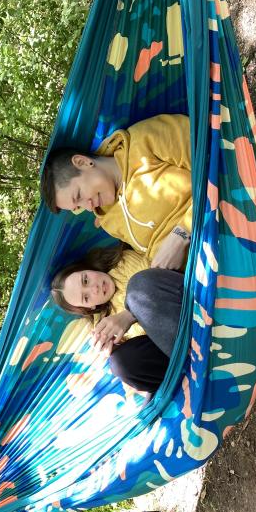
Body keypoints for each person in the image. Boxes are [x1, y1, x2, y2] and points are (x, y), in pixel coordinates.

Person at [41, 113, 193, 271]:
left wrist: (182, 233)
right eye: (78, 207)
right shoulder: (108, 222)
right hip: (186, 276)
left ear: (83, 162)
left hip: (206, 229)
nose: (89, 207)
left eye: (78, 196)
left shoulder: (144, 140)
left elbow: (209, 161)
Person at [50, 244, 184, 394]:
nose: (94, 289)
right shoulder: (102, 322)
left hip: (180, 312)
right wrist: (116, 347)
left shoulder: (122, 263)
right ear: (90, 307)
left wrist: (128, 316)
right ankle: (184, 376)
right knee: (119, 363)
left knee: (138, 286)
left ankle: (189, 356)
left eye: (86, 280)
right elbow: (142, 352)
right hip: (172, 351)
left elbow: (154, 284)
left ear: (89, 268)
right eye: (86, 297)